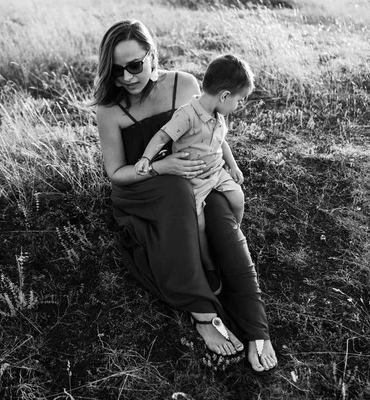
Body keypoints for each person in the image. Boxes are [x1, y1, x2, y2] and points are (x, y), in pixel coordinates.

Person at [93, 19, 277, 373]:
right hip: (142, 185)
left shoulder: (185, 84)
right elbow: (117, 173)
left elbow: (211, 135)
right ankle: (203, 311)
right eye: (117, 71)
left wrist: (219, 169)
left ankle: (256, 327)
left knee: (223, 222)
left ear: (151, 55)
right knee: (178, 193)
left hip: (197, 178)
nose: (127, 78)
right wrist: (166, 167)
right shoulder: (110, 110)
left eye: (134, 66)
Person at [134, 55, 252, 294]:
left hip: (216, 171)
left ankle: (230, 239)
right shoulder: (187, 114)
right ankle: (208, 264)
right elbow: (162, 136)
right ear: (225, 96)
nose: (238, 106)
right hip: (193, 178)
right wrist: (146, 158)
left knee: (238, 198)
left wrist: (234, 166)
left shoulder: (219, 116)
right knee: (198, 225)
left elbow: (222, 143)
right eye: (239, 100)